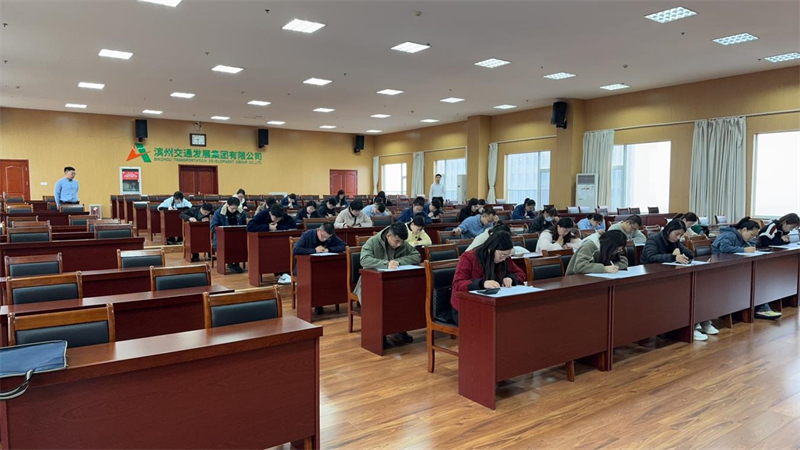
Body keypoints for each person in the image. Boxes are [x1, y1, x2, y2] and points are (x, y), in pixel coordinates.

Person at [641, 219, 714, 341]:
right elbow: (650, 257)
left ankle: (702, 322)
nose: (678, 237)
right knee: (685, 293)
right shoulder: (654, 239)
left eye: (681, 235)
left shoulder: (675, 241)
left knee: (697, 289)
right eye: (677, 234)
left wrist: (682, 251)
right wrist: (673, 256)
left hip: (669, 276)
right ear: (668, 231)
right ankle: (690, 326)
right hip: (652, 278)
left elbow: (690, 254)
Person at [357, 223, 422, 347]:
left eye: (402, 242)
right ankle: (378, 335)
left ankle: (400, 329)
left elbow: (416, 256)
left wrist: (398, 262)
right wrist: (386, 264)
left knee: (404, 298)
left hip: (394, 282)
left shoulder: (401, 242)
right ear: (388, 236)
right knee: (379, 301)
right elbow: (364, 260)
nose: (399, 245)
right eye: (397, 241)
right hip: (371, 283)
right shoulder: (373, 242)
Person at [451, 231, 526, 325]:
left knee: (515, 320)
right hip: (466, 307)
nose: (504, 259)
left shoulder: (505, 259)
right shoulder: (469, 257)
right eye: (502, 255)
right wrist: (482, 283)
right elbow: (457, 284)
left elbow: (520, 273)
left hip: (493, 305)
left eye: (507, 256)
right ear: (490, 249)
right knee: (493, 324)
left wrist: (511, 278)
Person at [712, 217, 780, 320]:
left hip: (733, 266)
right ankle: (760, 308)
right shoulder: (729, 235)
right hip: (720, 268)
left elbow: (748, 246)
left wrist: (750, 245)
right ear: (744, 230)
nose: (752, 238)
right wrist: (744, 250)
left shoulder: (741, 237)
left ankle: (761, 308)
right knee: (752, 280)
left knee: (757, 278)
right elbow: (724, 248)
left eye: (754, 236)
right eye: (751, 235)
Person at [210, 197, 248, 273]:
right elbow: (213, 227)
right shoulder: (219, 213)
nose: (234, 210)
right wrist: (222, 230)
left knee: (240, 244)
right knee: (229, 245)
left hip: (237, 237)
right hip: (221, 239)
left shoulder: (241, 212)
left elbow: (244, 225)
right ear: (227, 205)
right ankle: (231, 264)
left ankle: (235, 264)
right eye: (232, 208)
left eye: (235, 208)